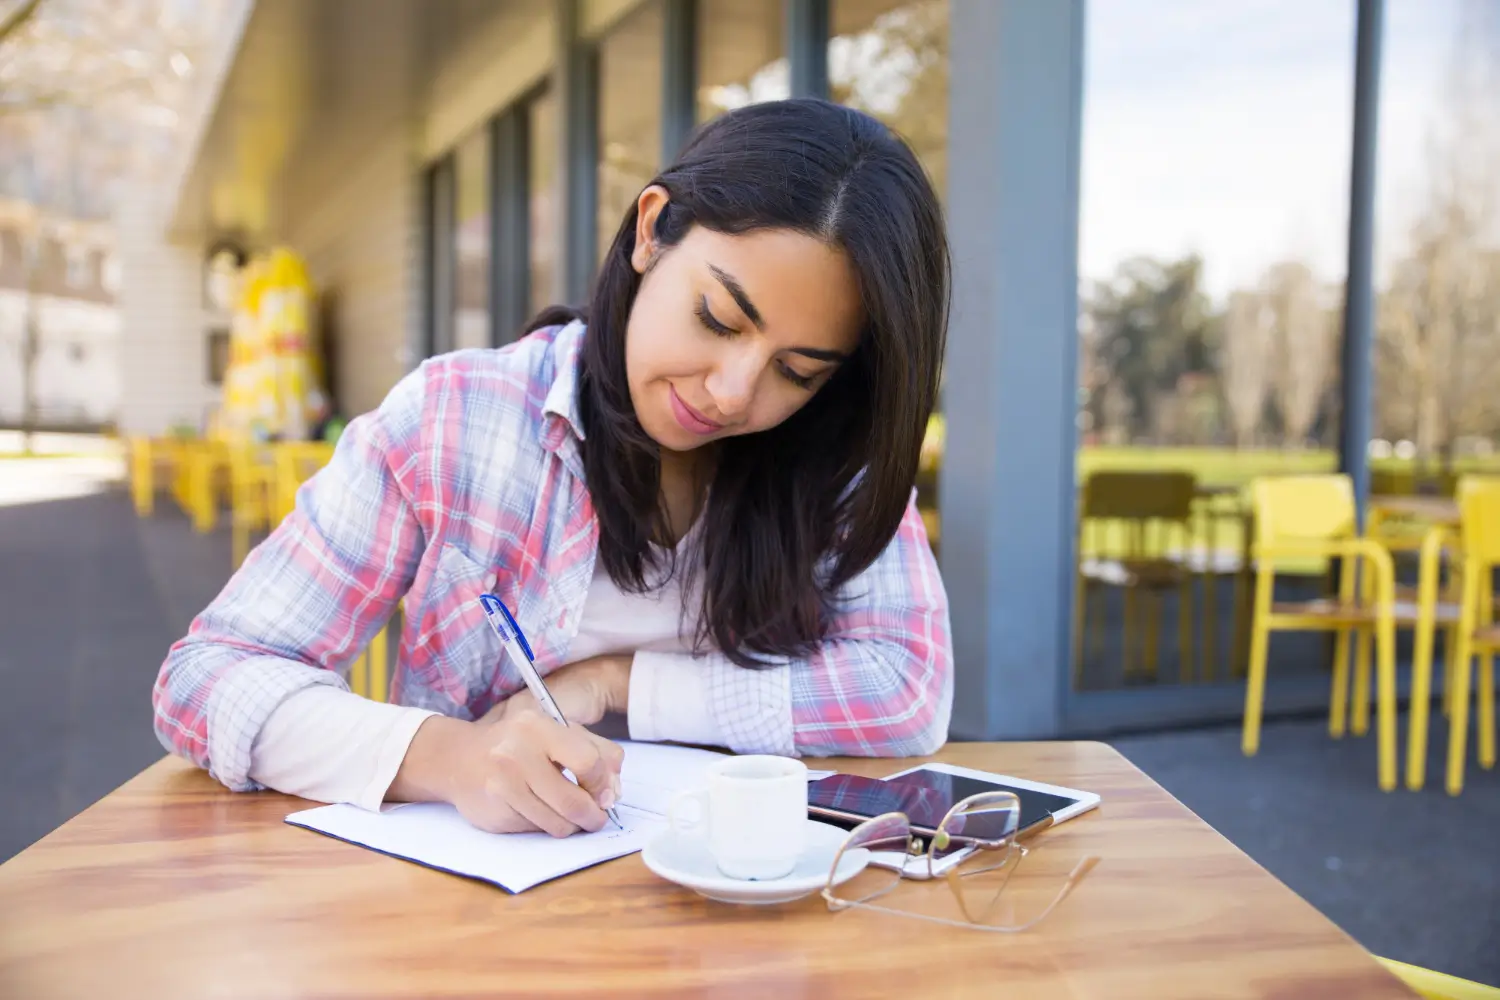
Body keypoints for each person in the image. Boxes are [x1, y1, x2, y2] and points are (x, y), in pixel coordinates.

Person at [153, 98, 953, 841]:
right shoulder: (459, 418)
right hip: (498, 909)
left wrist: (613, 683)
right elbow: (207, 678)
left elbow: (909, 690)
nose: (733, 392)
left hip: (751, 897)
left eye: (799, 370)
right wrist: (450, 758)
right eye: (716, 317)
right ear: (653, 229)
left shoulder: (827, 452)